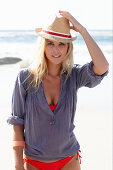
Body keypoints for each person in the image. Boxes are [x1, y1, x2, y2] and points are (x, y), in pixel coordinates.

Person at [7, 10, 109, 170]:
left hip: (69, 160)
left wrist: (82, 30)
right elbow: (17, 123)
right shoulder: (25, 78)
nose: (56, 50)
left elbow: (102, 67)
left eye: (61, 43)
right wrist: (18, 165)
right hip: (34, 162)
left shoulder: (74, 75)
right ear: (43, 45)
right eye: (51, 43)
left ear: (68, 47)